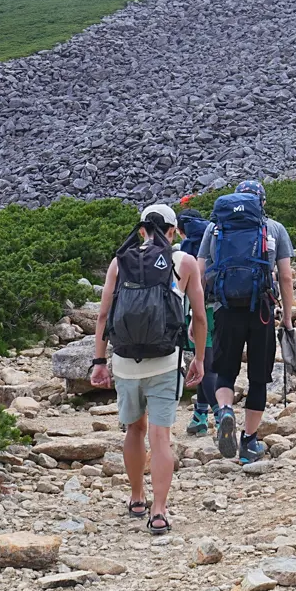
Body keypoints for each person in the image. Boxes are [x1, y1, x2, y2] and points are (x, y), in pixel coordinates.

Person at [88, 203, 206, 535]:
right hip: (166, 360)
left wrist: (99, 362)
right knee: (161, 436)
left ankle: (136, 497)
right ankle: (159, 510)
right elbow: (198, 316)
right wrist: (198, 358)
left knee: (134, 431)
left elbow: (103, 317)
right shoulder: (184, 263)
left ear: (141, 230)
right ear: (172, 231)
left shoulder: (120, 261)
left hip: (125, 361)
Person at [198, 179, 295, 465]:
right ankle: (249, 443)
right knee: (258, 378)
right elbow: (286, 277)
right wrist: (287, 318)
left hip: (225, 307)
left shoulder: (214, 228)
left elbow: (201, 272)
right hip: (262, 309)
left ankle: (225, 409)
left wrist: (200, 313)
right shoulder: (273, 228)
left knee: (225, 371)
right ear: (262, 202)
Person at [174, 210, 220, 436]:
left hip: (201, 311)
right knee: (204, 364)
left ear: (180, 230)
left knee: (206, 365)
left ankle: (222, 416)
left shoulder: (187, 249)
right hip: (223, 306)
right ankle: (200, 417)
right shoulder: (215, 235)